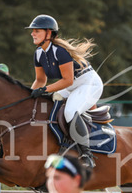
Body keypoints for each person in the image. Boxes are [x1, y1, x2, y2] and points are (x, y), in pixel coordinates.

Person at [26, 14, 103, 168]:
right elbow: (40, 80)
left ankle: (87, 154)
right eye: (32, 31)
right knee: (47, 104)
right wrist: (28, 97)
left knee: (70, 112)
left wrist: (44, 90)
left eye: (37, 31)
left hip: (89, 84)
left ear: (48, 33)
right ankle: (62, 143)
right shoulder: (38, 53)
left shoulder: (59, 51)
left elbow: (68, 80)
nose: (32, 33)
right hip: (71, 86)